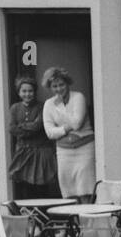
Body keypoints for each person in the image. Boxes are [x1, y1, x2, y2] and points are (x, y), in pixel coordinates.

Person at [41, 67, 96, 199]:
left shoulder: (78, 97)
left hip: (84, 150)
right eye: (55, 86)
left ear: (67, 83)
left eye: (61, 84)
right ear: (50, 88)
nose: (59, 89)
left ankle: (87, 220)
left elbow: (77, 123)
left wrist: (60, 107)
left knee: (86, 190)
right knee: (69, 193)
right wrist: (65, 129)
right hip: (64, 153)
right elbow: (49, 132)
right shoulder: (48, 104)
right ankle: (75, 220)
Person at [7, 76, 57, 201]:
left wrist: (21, 127)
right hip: (23, 152)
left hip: (41, 151)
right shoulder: (15, 108)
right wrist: (26, 128)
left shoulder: (42, 106)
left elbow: (38, 126)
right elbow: (11, 128)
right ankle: (28, 217)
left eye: (30, 91)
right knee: (25, 186)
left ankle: (42, 217)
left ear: (34, 92)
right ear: (19, 92)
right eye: (24, 91)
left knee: (41, 185)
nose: (27, 94)